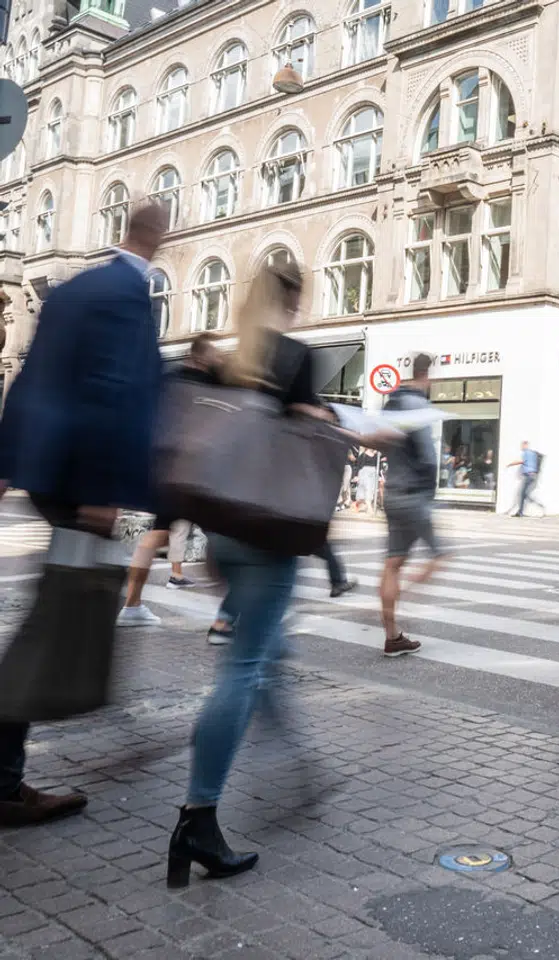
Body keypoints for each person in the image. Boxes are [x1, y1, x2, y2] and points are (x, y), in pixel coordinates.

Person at [0, 202, 168, 826]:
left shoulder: (75, 289)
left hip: (52, 476)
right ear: (155, 236)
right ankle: (6, 778)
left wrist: (7, 460)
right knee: (57, 619)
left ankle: (12, 766)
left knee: (64, 608)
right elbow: (114, 389)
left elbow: (27, 375)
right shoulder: (129, 293)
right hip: (80, 486)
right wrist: (103, 490)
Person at [170, 259, 335, 886]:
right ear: (291, 301)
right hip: (270, 531)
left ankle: (256, 750)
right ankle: (198, 815)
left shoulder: (230, 360)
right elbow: (308, 432)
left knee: (253, 659)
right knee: (243, 669)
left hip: (224, 531)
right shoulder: (294, 355)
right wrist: (336, 423)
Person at [117, 333, 222, 627]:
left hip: (166, 467)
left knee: (156, 536)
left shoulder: (170, 380)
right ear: (202, 355)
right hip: (195, 471)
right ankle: (232, 614)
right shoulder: (210, 383)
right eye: (215, 354)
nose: (219, 359)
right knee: (222, 536)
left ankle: (132, 604)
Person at [378, 353, 444, 658]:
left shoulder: (391, 402)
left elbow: (381, 442)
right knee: (440, 555)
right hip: (414, 493)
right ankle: (407, 597)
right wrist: (429, 495)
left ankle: (392, 636)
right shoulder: (419, 405)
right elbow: (428, 457)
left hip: (392, 491)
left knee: (394, 563)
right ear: (426, 376)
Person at [509, 441, 541, 516]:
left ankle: (538, 506)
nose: (521, 447)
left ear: (525, 445)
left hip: (528, 475)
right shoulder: (532, 453)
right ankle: (521, 511)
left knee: (522, 494)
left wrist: (510, 464)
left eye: (522, 446)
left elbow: (521, 461)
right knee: (524, 494)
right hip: (533, 475)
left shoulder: (526, 453)